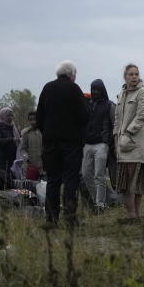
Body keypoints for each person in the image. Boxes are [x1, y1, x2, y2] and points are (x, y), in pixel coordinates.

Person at [35, 60, 90, 226]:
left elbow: (39, 118)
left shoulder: (47, 88)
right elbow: (85, 115)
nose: (75, 76)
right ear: (71, 74)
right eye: (75, 73)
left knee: (53, 180)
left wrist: (49, 134)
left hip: (50, 144)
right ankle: (70, 218)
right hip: (71, 143)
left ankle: (51, 219)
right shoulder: (74, 89)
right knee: (71, 179)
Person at [114, 63, 144, 222]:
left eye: (136, 74)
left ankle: (134, 215)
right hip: (122, 144)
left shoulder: (142, 92)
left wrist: (129, 132)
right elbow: (117, 117)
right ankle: (132, 216)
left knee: (136, 182)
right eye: (131, 74)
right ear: (125, 76)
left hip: (136, 143)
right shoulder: (122, 94)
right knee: (126, 183)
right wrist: (116, 134)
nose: (134, 77)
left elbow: (143, 114)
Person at [81, 79, 115, 214]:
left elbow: (115, 123)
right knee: (85, 174)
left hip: (102, 144)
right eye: (93, 89)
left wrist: (111, 143)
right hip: (87, 144)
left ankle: (100, 204)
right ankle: (98, 201)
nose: (95, 92)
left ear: (102, 90)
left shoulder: (109, 105)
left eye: (97, 89)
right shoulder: (88, 105)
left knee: (99, 175)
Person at [0, 107, 20, 189]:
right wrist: (11, 140)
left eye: (11, 115)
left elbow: (18, 139)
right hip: (3, 162)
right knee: (4, 183)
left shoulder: (13, 127)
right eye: (8, 115)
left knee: (14, 182)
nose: (10, 117)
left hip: (13, 160)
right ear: (3, 116)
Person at [20, 111, 44, 181]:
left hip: (44, 167)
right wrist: (26, 156)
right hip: (31, 167)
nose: (33, 122)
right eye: (30, 120)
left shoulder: (43, 131)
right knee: (31, 188)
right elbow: (22, 149)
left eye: (35, 119)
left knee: (44, 188)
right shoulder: (26, 133)